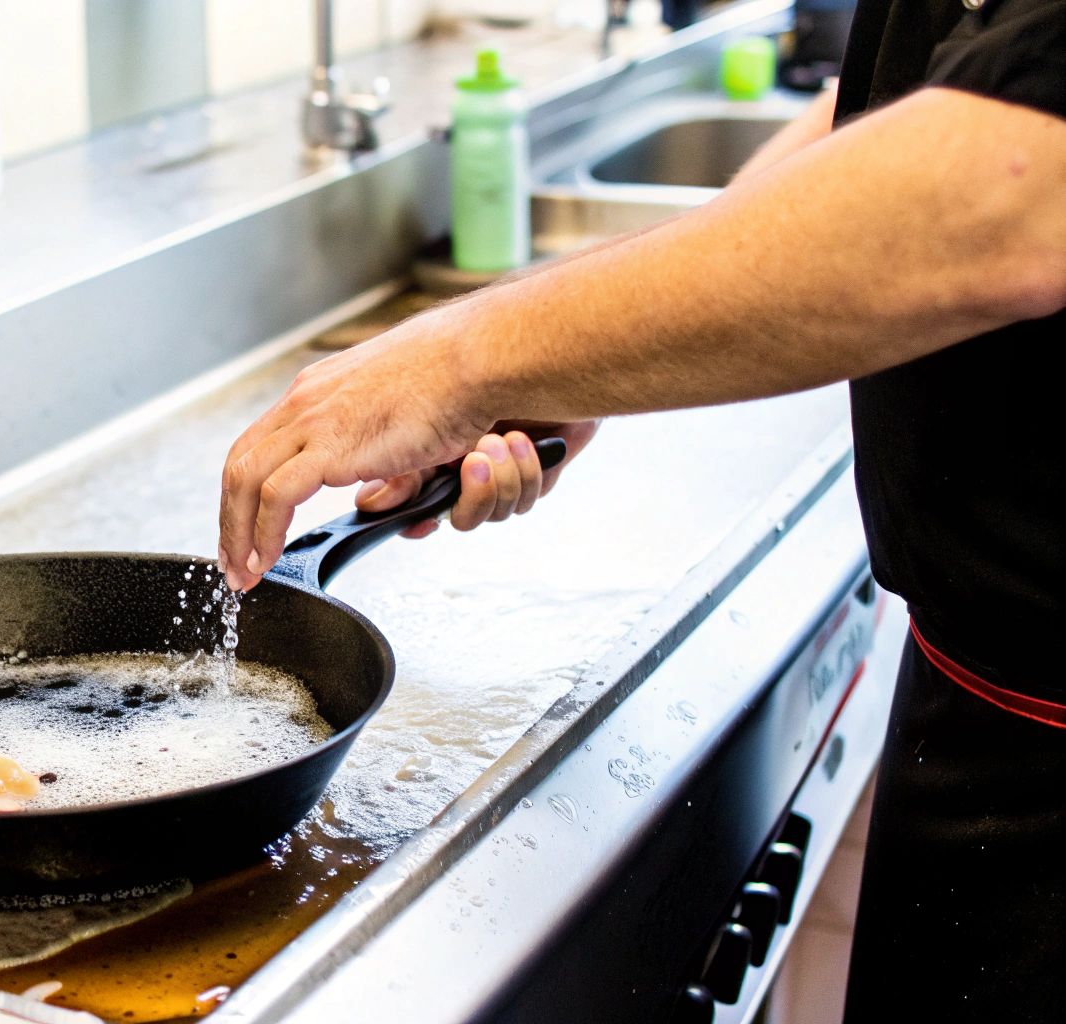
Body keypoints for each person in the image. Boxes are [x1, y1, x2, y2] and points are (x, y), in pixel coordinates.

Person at [215, 2, 1065, 1020]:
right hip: (966, 705)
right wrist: (586, 355)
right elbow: (911, 108)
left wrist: (464, 355)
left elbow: (1009, 188)